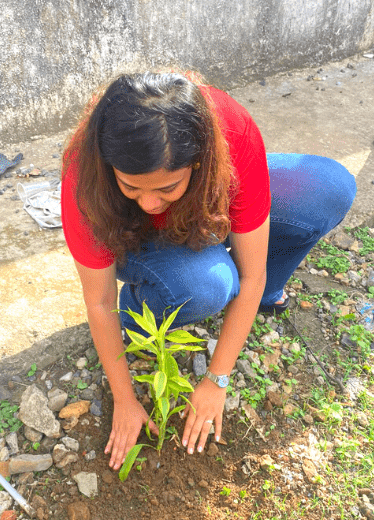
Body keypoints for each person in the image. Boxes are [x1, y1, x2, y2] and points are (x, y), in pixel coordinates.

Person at [62, 72, 356, 470]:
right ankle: (141, 308)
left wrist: (217, 378)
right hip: (136, 241)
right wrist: (125, 399)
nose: (150, 201)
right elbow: (98, 300)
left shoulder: (229, 131)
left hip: (204, 209)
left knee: (329, 187)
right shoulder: (87, 175)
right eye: (131, 186)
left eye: (167, 188)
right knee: (208, 285)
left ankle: (259, 296)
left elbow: (252, 276)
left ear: (199, 162)